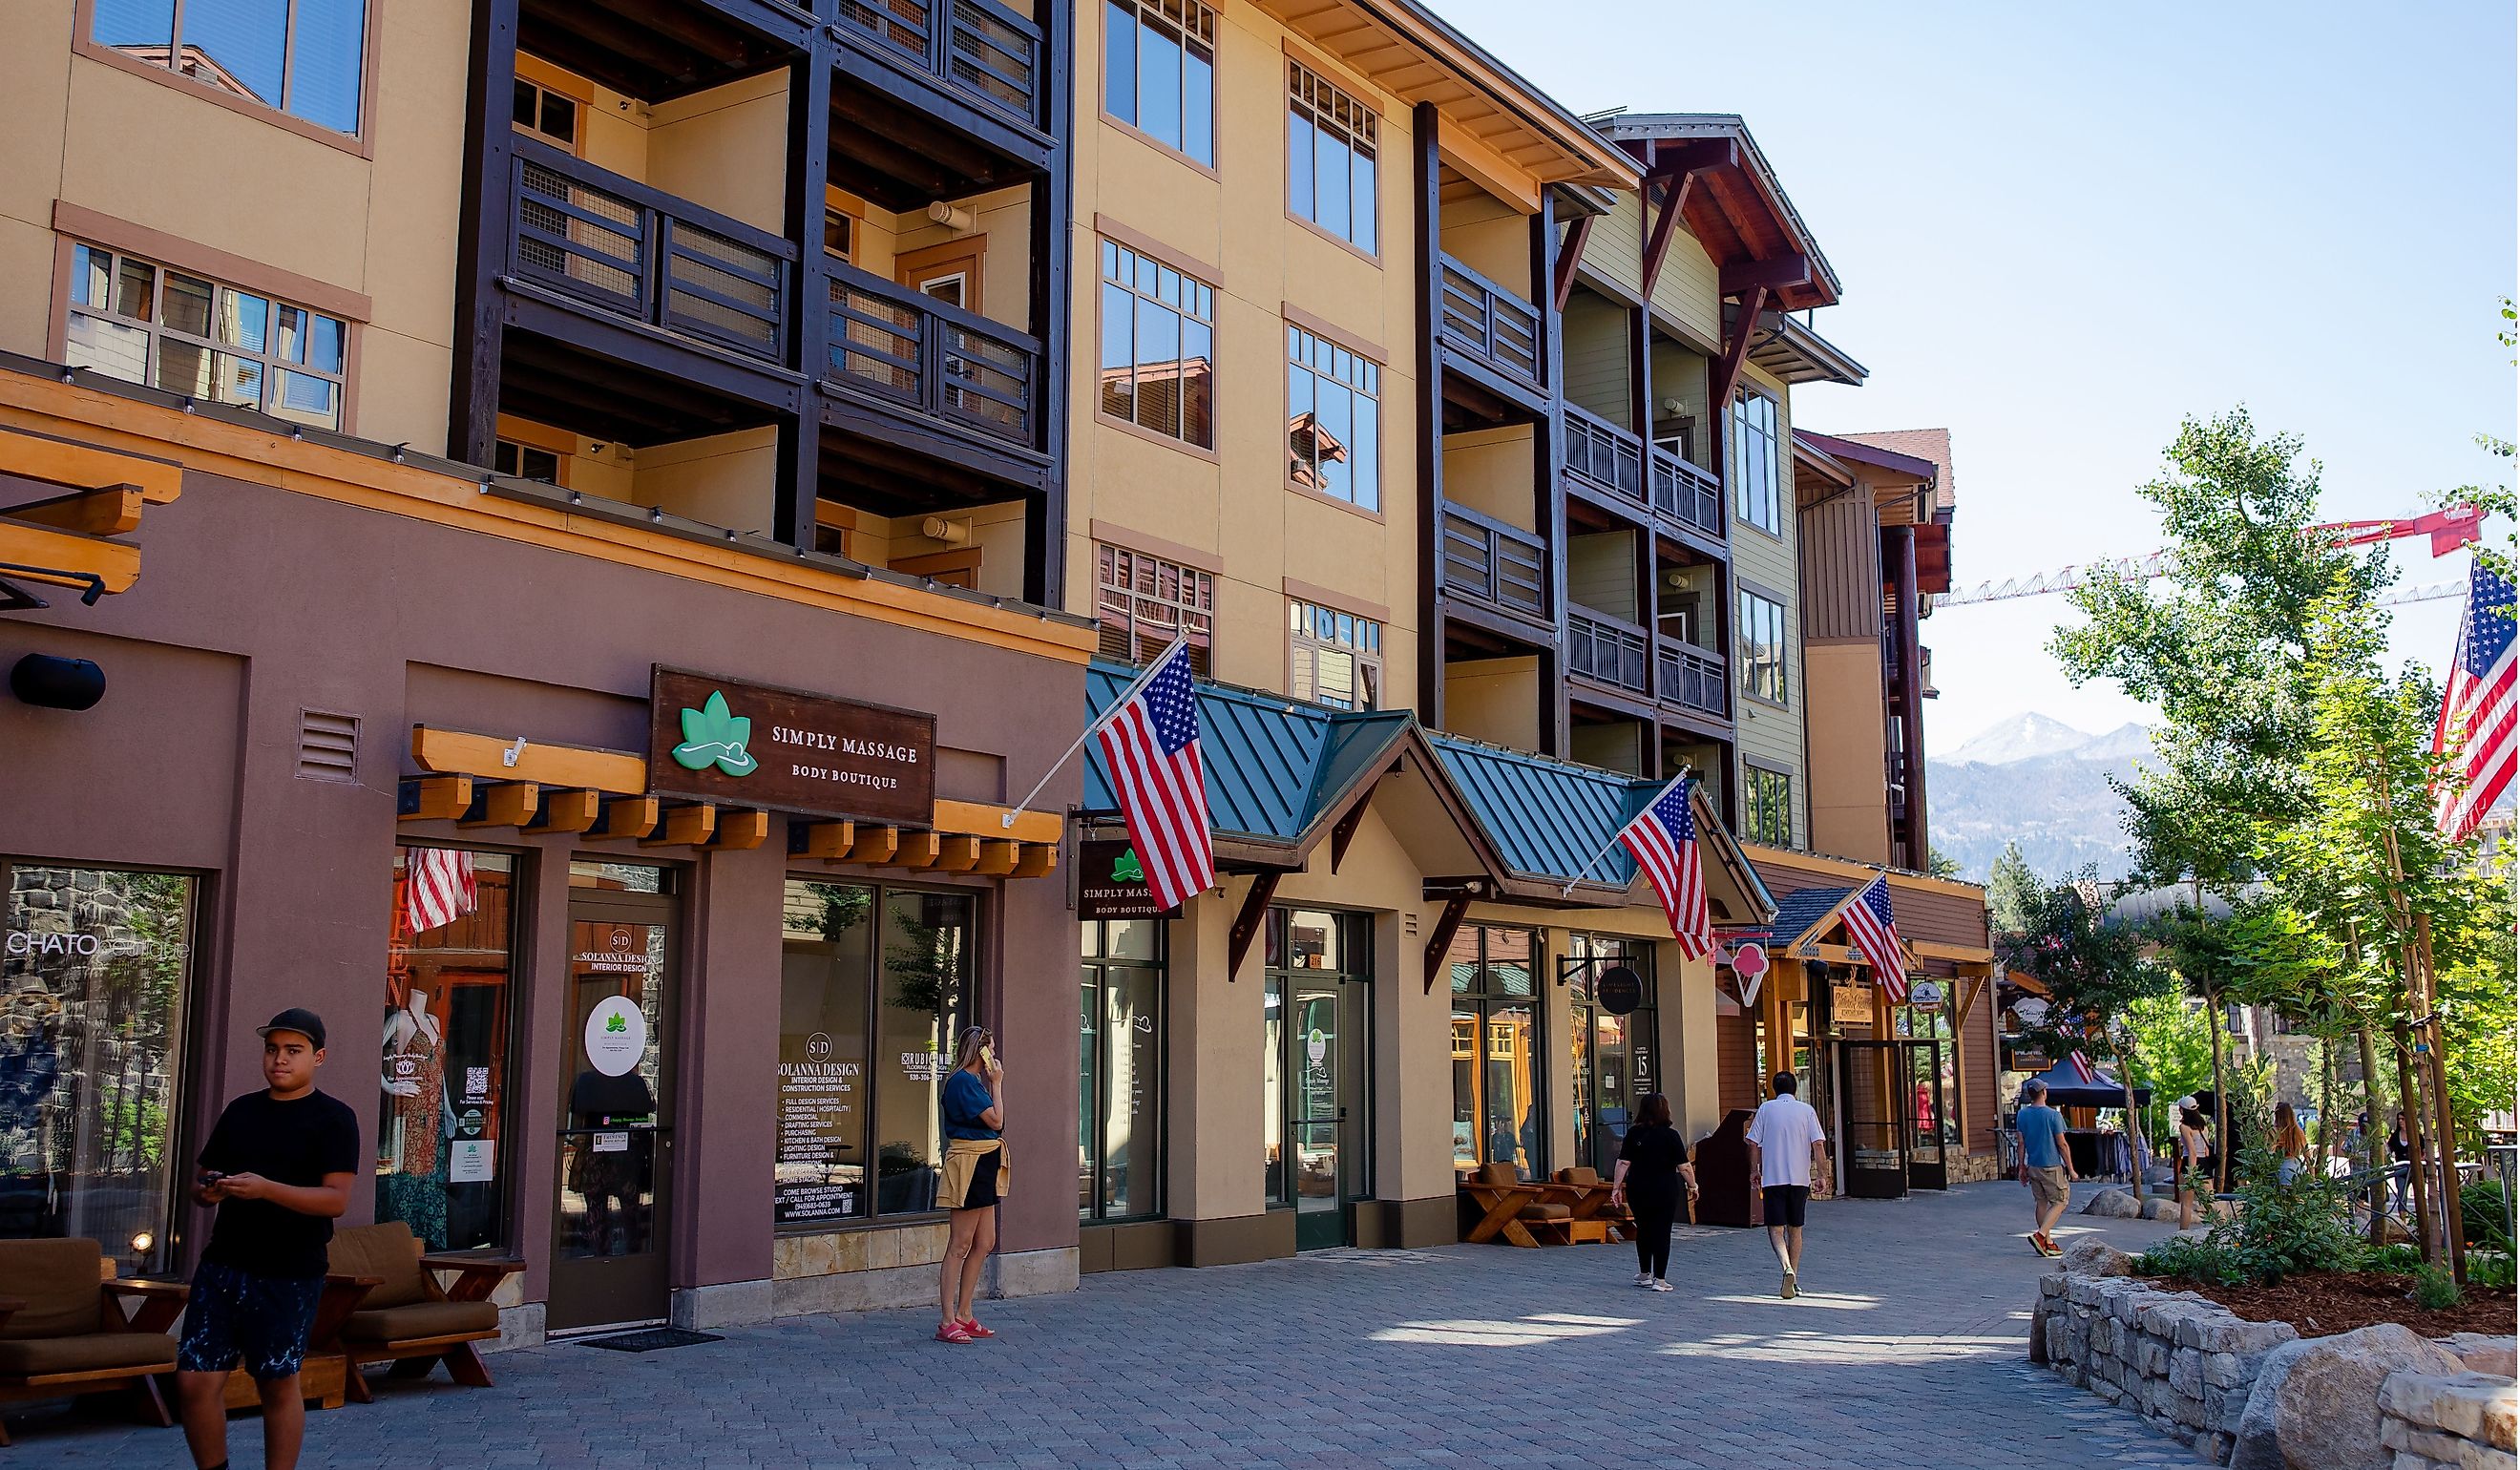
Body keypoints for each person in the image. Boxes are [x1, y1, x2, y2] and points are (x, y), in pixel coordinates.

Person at [178, 1009, 360, 1470]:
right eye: (272, 1049)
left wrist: (266, 1190)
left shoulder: (335, 1119)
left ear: (318, 1058)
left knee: (277, 1382)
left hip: (289, 1272)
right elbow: (200, 1186)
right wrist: (210, 1189)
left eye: (293, 1051)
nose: (280, 1059)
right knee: (195, 1382)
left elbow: (335, 1200)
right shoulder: (241, 1110)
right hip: (223, 1265)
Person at [934, 1026, 1006, 1345]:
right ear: (981, 1051)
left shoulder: (972, 1082)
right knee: (959, 1245)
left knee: (986, 1240)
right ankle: (947, 1319)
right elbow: (996, 1120)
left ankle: (965, 1313)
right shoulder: (964, 1080)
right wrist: (998, 1084)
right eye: (991, 1049)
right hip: (970, 1163)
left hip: (986, 1161)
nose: (994, 1055)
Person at [1744, 1071, 1828, 1300]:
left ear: (1773, 1089)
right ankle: (1796, 1278)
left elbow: (1752, 1142)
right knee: (1796, 1228)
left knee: (1775, 1228)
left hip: (1773, 1178)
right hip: (1800, 1178)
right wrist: (1822, 1175)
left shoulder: (1766, 1109)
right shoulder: (1807, 1111)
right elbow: (1818, 1145)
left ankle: (1785, 1267)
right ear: (1795, 1089)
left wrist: (1754, 1170)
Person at [1606, 1092, 1696, 1292]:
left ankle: (1644, 1273)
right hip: (1665, 1187)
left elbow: (1623, 1162)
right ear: (1665, 1110)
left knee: (1644, 1228)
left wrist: (1616, 1188)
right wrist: (1693, 1185)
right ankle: (1660, 1279)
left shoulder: (1634, 1133)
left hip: (1638, 1187)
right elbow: (1684, 1167)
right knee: (1662, 1231)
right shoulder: (1671, 1135)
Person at [2015, 1080, 2077, 1256]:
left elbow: (2021, 1143)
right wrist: (2071, 1169)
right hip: (2051, 1166)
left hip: (2033, 1165)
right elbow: (2062, 1144)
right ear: (2043, 1093)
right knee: (2060, 1201)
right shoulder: (2053, 1116)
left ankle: (2048, 1243)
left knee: (2041, 1202)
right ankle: (2041, 1236)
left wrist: (2021, 1167)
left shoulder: (2022, 1115)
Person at [2174, 1098, 2212, 1229]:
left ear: (2183, 1110)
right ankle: (2221, 1230)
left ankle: (2182, 1234)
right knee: (2209, 1202)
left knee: (2186, 1204)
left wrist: (2191, 1172)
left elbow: (2192, 1151)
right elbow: (2206, 1150)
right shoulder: (2203, 1126)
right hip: (2204, 1164)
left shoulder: (2184, 1127)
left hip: (2190, 1164)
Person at [2272, 1102, 2309, 1186]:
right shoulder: (2298, 1132)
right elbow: (2308, 1157)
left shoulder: (2273, 1131)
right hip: (2297, 1171)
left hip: (2280, 1172)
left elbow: (2269, 1153)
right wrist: (2312, 1177)